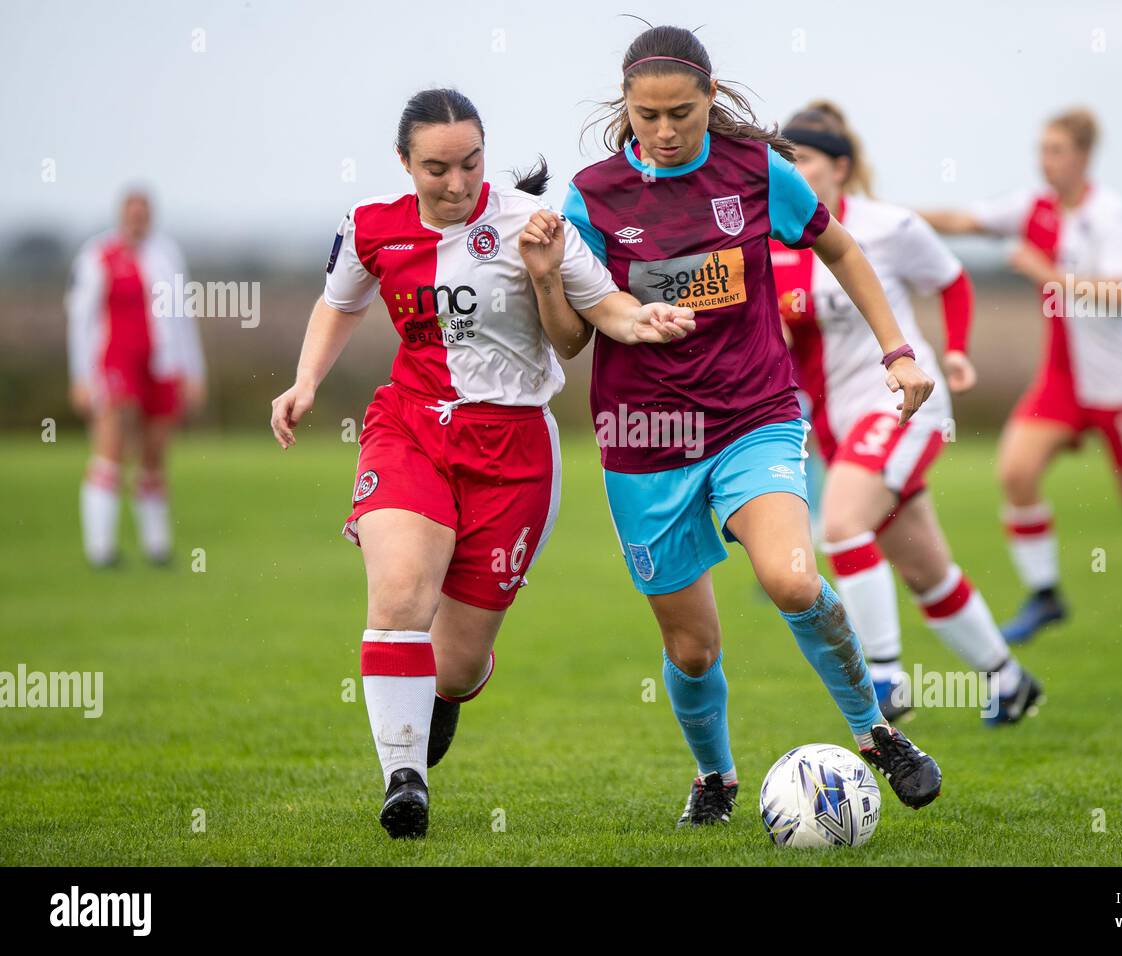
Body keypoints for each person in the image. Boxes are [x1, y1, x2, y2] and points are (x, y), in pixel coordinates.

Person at [539, 24, 944, 825]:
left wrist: (897, 351)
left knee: (792, 576)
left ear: (711, 98)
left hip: (751, 417)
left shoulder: (760, 171)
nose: (662, 131)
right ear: (625, 105)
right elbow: (572, 337)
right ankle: (715, 778)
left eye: (680, 114)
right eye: (646, 115)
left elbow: (844, 251)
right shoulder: (591, 195)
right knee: (692, 650)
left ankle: (877, 733)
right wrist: (551, 280)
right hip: (642, 442)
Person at [269, 88, 694, 839]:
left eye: (470, 163)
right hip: (411, 427)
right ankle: (405, 781)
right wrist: (306, 380)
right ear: (405, 164)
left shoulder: (530, 223)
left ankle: (442, 691)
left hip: (514, 450)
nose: (457, 183)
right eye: (437, 168)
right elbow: (340, 303)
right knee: (400, 591)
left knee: (456, 667)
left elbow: (604, 312)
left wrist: (645, 317)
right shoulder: (371, 226)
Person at [770, 101, 1041, 724]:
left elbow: (952, 280)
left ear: (840, 168)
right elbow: (787, 334)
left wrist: (957, 352)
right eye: (783, 162)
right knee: (925, 568)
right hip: (841, 426)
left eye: (802, 160)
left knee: (838, 526)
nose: (789, 172)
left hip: (904, 407)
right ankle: (1008, 680)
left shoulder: (889, 227)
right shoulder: (774, 239)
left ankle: (886, 681)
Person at [921, 107, 1122, 647]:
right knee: (1016, 471)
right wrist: (877, 213)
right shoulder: (1033, 206)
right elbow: (965, 220)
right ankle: (1046, 597)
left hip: (1121, 383)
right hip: (1062, 380)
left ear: (1084, 156)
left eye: (1057, 150)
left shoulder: (1111, 215)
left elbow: (1120, 293)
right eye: (1042, 149)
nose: (1045, 160)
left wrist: (1047, 274)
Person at [66, 190, 206, 567]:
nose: (138, 219)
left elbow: (182, 319)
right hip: (115, 363)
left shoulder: (166, 256)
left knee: (154, 453)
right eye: (132, 212)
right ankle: (101, 550)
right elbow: (81, 321)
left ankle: (157, 547)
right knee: (111, 446)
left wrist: (193, 371)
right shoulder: (97, 256)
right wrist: (80, 376)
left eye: (144, 212)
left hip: (161, 366)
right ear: (121, 215)